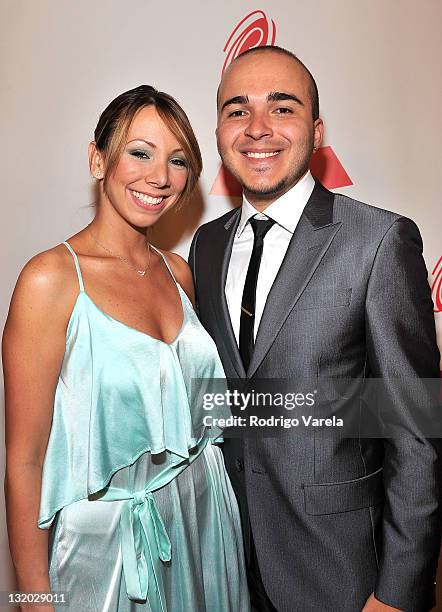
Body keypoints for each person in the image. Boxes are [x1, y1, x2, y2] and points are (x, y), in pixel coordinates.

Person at [189, 46, 441, 612]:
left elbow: (416, 429)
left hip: (342, 571)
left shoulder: (379, 242)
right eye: (237, 110)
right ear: (219, 131)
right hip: (228, 559)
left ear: (317, 130)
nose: (258, 129)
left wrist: (398, 591)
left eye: (282, 108)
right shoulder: (206, 246)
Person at [3, 85, 250, 612]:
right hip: (107, 550)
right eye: (140, 152)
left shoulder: (178, 273)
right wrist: (31, 599)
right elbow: (24, 461)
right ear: (98, 159)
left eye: (177, 160)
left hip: (205, 520)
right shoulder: (50, 280)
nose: (159, 177)